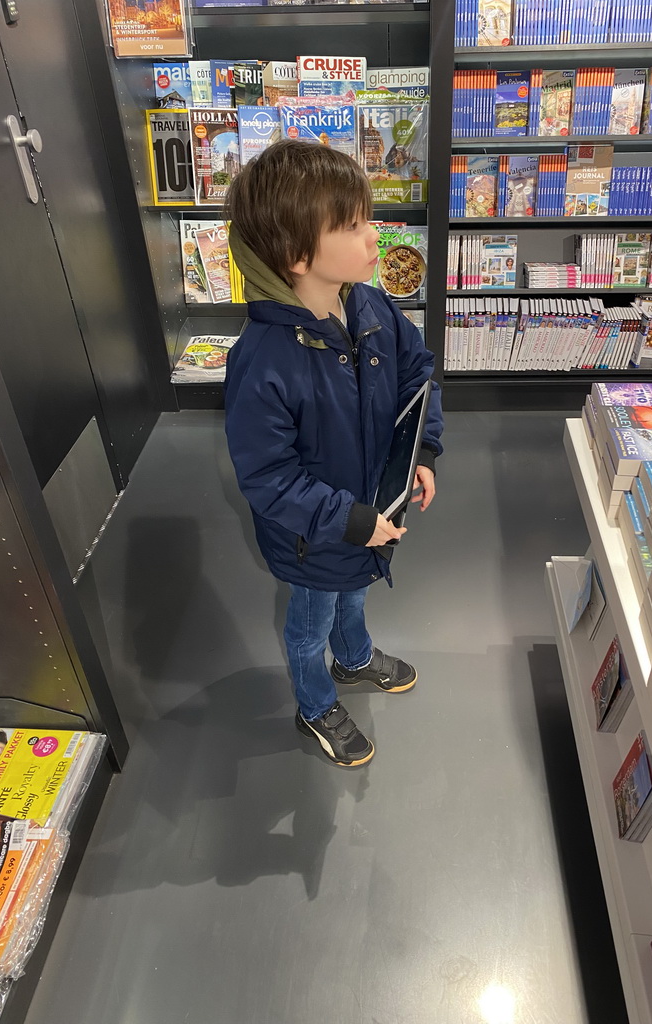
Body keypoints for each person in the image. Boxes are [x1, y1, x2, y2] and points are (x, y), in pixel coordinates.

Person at [223, 140, 444, 768]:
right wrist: (348, 521)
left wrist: (423, 450)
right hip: (314, 536)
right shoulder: (264, 361)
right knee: (309, 619)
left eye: (366, 219)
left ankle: (353, 658)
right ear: (297, 256)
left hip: (371, 510)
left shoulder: (369, 304)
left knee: (357, 590)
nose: (374, 238)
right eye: (351, 226)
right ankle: (315, 703)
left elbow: (417, 375)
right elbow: (267, 477)